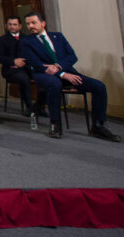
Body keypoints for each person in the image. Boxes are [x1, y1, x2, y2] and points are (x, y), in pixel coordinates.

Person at [20, 12, 120, 141]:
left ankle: (98, 126)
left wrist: (59, 67)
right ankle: (55, 124)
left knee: (99, 86)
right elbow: (36, 64)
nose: (30, 26)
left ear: (43, 23)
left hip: (67, 72)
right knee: (55, 84)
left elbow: (72, 56)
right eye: (28, 24)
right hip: (43, 74)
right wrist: (61, 74)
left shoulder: (58, 37)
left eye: (33, 22)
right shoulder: (26, 42)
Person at [0, 15, 46, 117]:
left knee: (44, 78)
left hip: (28, 67)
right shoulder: (1, 40)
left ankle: (40, 106)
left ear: (20, 26)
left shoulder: (28, 38)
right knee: (23, 78)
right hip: (10, 69)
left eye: (14, 24)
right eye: (10, 24)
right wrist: (13, 61)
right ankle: (29, 107)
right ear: (6, 26)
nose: (12, 27)